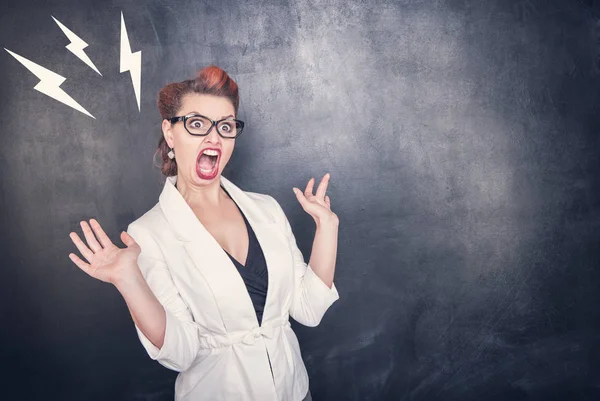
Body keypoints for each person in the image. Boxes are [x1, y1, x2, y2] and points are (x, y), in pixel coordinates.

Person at [68, 65, 340, 401]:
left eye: (225, 126)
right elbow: (181, 353)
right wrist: (129, 280)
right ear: (170, 133)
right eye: (197, 124)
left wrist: (328, 227)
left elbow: (308, 309)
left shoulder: (266, 209)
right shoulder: (148, 233)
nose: (214, 138)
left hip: (295, 391)